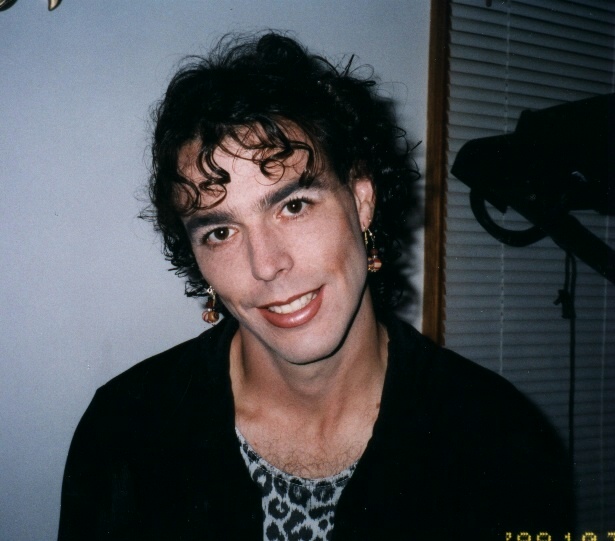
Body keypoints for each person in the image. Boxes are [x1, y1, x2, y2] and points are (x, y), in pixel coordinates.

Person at [58, 32, 573, 540]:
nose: (266, 265)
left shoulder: (498, 438)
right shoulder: (126, 428)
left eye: (294, 205)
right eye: (220, 232)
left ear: (362, 201)